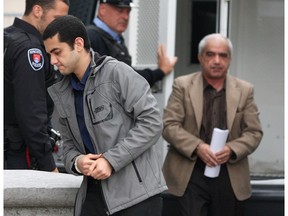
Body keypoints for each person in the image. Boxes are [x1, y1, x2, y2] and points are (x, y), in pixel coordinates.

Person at [43, 15, 167, 216]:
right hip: (93, 196)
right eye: (49, 54)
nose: (53, 61)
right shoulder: (61, 91)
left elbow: (152, 123)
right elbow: (68, 148)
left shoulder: (118, 73)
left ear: (78, 44)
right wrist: (77, 162)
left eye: (57, 52)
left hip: (137, 197)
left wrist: (110, 160)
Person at [162, 33, 263, 216]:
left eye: (223, 55)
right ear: (201, 58)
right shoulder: (182, 85)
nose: (217, 60)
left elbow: (254, 132)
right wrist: (198, 147)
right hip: (191, 172)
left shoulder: (245, 90)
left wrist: (231, 149)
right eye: (210, 54)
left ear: (229, 59)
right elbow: (169, 125)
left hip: (229, 174)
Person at [4, 0, 69, 171]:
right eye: (57, 18)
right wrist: (47, 163)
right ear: (38, 11)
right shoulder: (31, 50)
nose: (60, 26)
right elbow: (32, 112)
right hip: (17, 153)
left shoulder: (8, 37)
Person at [86, 0, 177, 87]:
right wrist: (160, 72)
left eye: (128, 11)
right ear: (103, 10)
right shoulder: (91, 37)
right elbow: (124, 79)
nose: (125, 17)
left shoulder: (115, 38)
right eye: (120, 10)